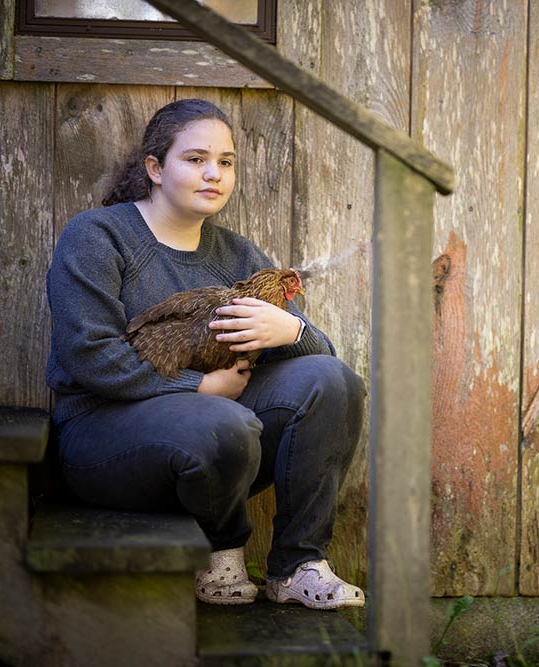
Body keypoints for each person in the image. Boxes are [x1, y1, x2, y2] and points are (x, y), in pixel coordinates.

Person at [45, 98, 366, 609]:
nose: (213, 173)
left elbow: (317, 359)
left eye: (226, 161)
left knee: (334, 380)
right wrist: (197, 387)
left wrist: (291, 328)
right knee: (221, 420)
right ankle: (221, 555)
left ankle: (298, 566)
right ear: (155, 168)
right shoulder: (98, 236)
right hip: (103, 436)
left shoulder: (240, 256)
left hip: (219, 436)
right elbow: (89, 353)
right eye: (195, 160)